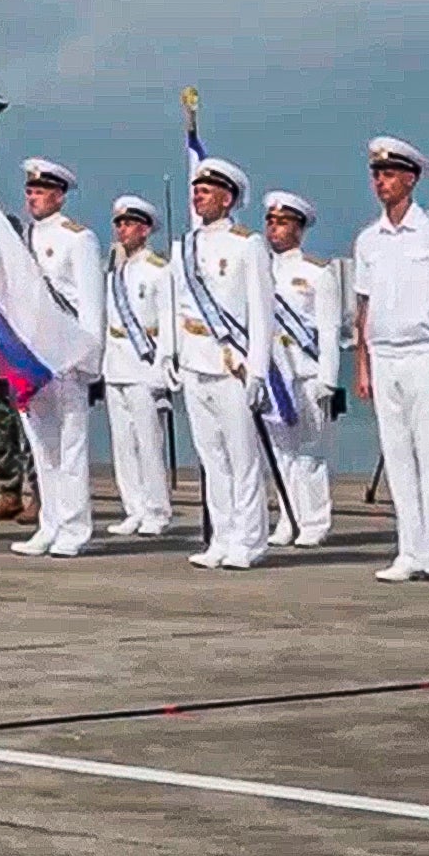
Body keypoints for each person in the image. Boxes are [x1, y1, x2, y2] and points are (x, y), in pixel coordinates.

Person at [343, 137, 429, 586]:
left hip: (425, 351)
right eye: (377, 174)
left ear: (411, 179)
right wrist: (362, 365)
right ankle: (409, 548)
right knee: (397, 457)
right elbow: (364, 309)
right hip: (386, 354)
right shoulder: (368, 240)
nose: (382, 181)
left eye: (391, 174)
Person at [176, 159, 280, 571]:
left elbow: (261, 312)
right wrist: (172, 355)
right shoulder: (186, 246)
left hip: (231, 361)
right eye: (197, 188)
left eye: (208, 189)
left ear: (228, 197)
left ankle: (250, 539)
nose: (198, 194)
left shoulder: (247, 244)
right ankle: (221, 536)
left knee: (241, 456)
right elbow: (176, 305)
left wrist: (257, 370)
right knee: (211, 457)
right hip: (194, 359)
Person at [7, 159, 110, 559]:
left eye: (40, 191)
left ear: (59, 195)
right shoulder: (25, 238)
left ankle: (74, 526)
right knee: (42, 447)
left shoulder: (78, 238)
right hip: (33, 356)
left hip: (66, 355)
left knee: (70, 448)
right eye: (30, 191)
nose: (33, 197)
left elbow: (90, 303)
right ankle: (49, 523)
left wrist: (89, 358)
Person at [258, 193, 341, 549]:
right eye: (271, 222)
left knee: (309, 452)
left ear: (299, 228)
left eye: (283, 223)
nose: (275, 229)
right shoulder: (260, 271)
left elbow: (330, 329)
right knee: (279, 453)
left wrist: (329, 379)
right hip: (276, 374)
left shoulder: (316, 272)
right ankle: (288, 518)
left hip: (306, 372)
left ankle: (314, 521)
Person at [101, 195, 178, 539]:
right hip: (115, 363)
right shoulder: (115, 272)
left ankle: (157, 511)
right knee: (123, 443)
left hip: (144, 362)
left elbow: (169, 322)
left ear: (145, 229)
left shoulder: (160, 271)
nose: (122, 230)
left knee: (149, 442)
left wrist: (164, 367)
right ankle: (133, 507)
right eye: (119, 223)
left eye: (129, 224)